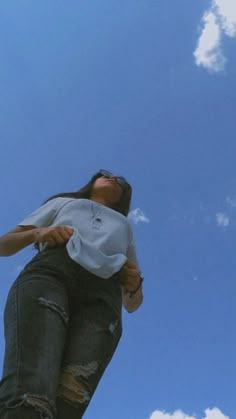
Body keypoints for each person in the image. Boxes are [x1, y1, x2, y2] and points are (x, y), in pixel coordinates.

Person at [0, 169, 143, 419]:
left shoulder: (125, 226)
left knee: (72, 398)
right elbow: (4, 244)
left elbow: (132, 303)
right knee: (31, 387)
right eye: (106, 174)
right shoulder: (65, 203)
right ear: (92, 181)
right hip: (53, 270)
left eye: (120, 180)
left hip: (104, 293)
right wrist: (38, 233)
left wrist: (134, 285)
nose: (113, 178)